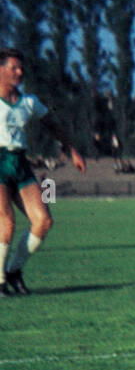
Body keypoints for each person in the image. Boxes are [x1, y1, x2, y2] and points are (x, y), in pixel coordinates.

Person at [0, 48, 86, 295]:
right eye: (13, 67)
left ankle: (14, 272)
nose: (19, 72)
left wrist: (72, 151)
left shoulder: (29, 102)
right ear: (0, 69)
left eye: (21, 67)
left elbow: (52, 124)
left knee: (43, 221)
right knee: (6, 222)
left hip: (19, 162)